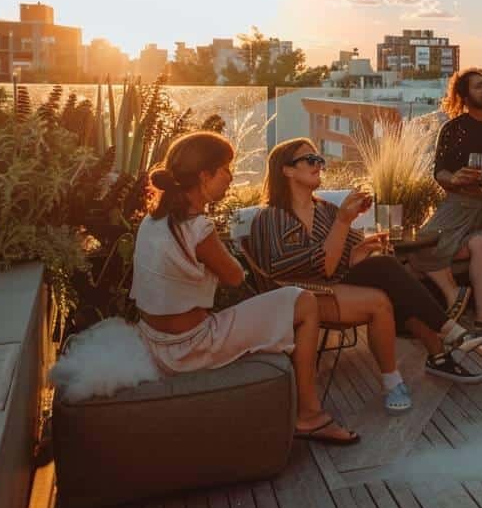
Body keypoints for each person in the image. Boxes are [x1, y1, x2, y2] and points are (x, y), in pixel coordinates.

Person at [130, 131, 359, 445]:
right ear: (204, 175)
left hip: (153, 340)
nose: (230, 177)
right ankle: (309, 415)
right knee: (303, 302)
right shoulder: (198, 228)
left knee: (279, 306)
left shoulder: (152, 221)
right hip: (190, 347)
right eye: (225, 169)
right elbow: (235, 277)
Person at [249, 138, 482, 416]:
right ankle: (425, 358)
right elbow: (295, 268)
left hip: (335, 284)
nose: (318, 165)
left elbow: (343, 259)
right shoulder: (271, 218)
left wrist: (362, 249)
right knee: (382, 297)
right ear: (286, 170)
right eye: (310, 160)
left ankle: (442, 343)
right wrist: (343, 223)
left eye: (319, 160)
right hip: (299, 294)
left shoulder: (326, 210)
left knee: (385, 268)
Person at [411, 68, 482, 335]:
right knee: (426, 248)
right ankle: (464, 303)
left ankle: (470, 307)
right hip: (459, 203)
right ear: (464, 95)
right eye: (479, 86)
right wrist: (456, 178)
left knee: (470, 245)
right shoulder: (452, 129)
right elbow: (440, 173)